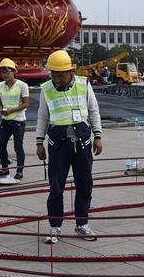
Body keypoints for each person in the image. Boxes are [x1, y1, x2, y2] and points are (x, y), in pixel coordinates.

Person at [35, 49, 102, 244]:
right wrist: (39, 142)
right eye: (54, 75)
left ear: (71, 71)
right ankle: (55, 227)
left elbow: (93, 111)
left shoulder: (84, 84)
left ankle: (82, 224)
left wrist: (98, 136)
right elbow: (42, 117)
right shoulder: (46, 89)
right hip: (58, 146)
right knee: (56, 187)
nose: (57, 79)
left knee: (85, 184)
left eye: (61, 75)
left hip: (82, 143)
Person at [0, 58, 30, 181]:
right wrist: (2, 109)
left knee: (18, 146)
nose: (5, 74)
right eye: (2, 72)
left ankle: (19, 170)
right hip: (5, 119)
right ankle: (5, 169)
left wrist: (11, 110)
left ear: (14, 71)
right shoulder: (0, 85)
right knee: (1, 145)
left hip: (18, 120)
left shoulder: (22, 85)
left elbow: (25, 103)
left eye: (7, 71)